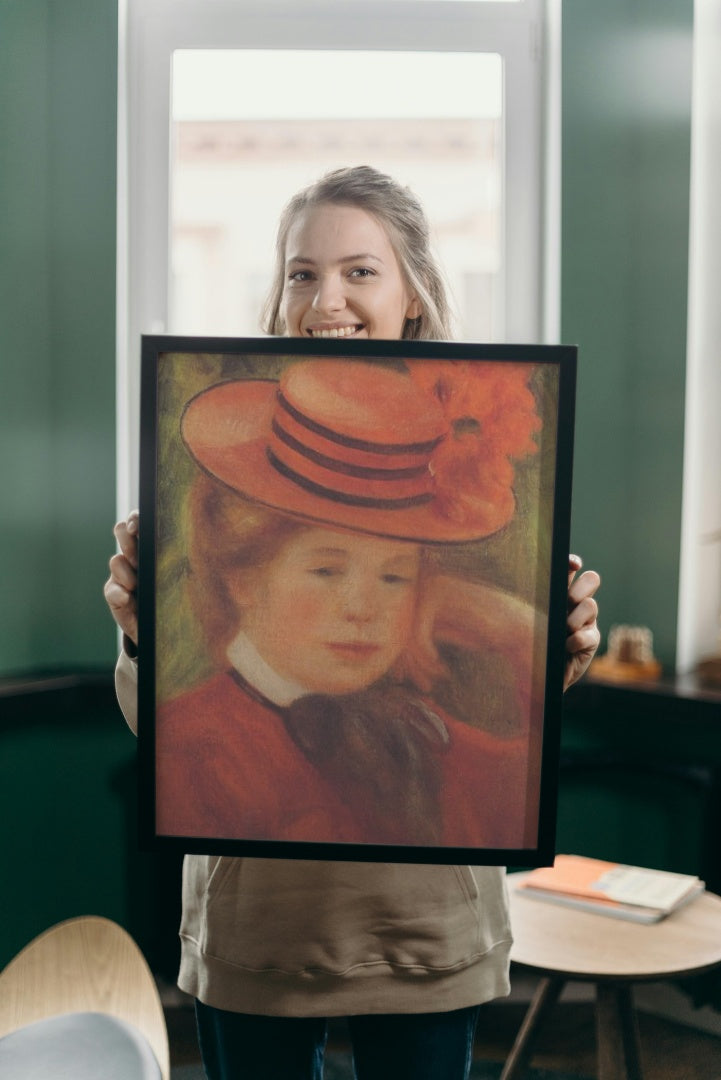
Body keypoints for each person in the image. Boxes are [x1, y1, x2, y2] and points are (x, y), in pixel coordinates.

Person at [105, 166, 601, 1080]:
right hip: (259, 928)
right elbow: (171, 739)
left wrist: (555, 649)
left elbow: (509, 739)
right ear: (245, 574)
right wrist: (137, 635)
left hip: (426, 926)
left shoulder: (470, 472)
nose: (325, 297)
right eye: (301, 272)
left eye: (359, 271)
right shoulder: (202, 522)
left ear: (412, 291)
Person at [156, 356, 544, 849]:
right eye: (326, 570)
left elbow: (523, 803)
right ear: (243, 578)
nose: (363, 609)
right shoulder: (191, 749)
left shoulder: (420, 735)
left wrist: (511, 627)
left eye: (395, 576)